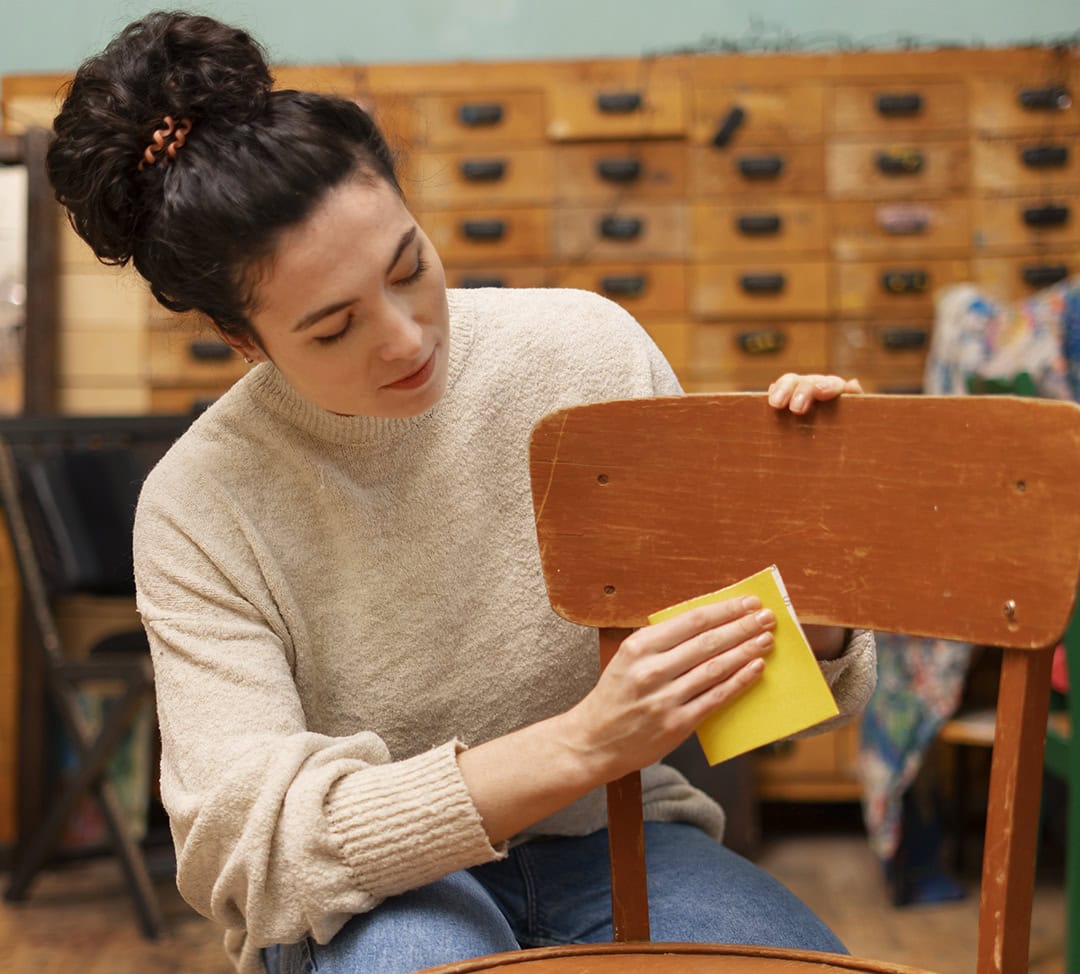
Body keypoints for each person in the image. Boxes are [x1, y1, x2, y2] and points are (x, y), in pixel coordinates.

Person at [46, 11, 875, 974]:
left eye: (410, 268)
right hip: (373, 893)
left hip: (617, 835)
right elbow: (251, 849)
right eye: (333, 328)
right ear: (242, 340)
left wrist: (816, 557)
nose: (405, 338)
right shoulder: (200, 505)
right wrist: (581, 744)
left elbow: (760, 705)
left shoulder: (584, 355)